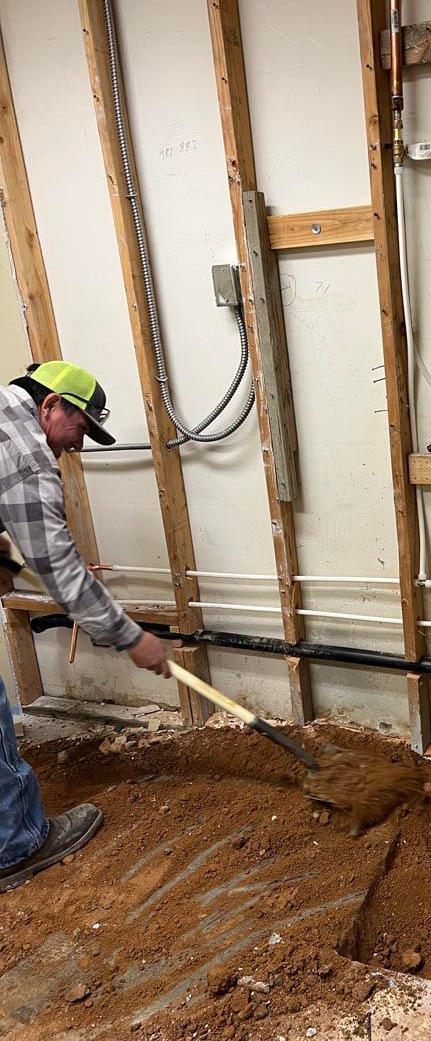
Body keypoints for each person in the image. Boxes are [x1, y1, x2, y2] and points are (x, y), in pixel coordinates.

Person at [0, 361, 170, 892]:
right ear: (51, 405)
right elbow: (61, 570)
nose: (77, 448)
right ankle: (17, 844)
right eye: (79, 431)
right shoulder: (28, 456)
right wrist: (131, 636)